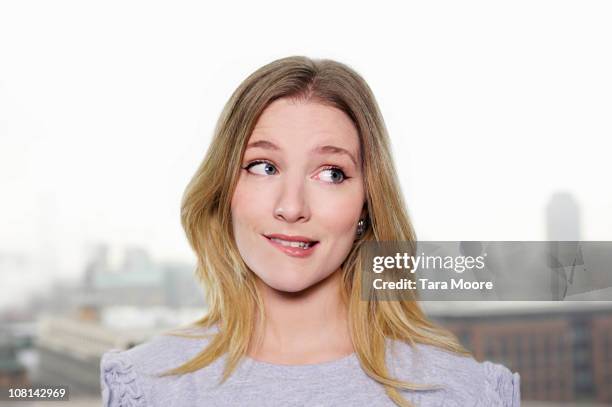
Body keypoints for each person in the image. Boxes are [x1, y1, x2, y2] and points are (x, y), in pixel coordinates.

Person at [100, 56, 520, 406]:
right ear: (224, 189)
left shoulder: (462, 393)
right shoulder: (147, 386)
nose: (292, 207)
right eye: (264, 167)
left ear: (367, 204)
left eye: (331, 173)